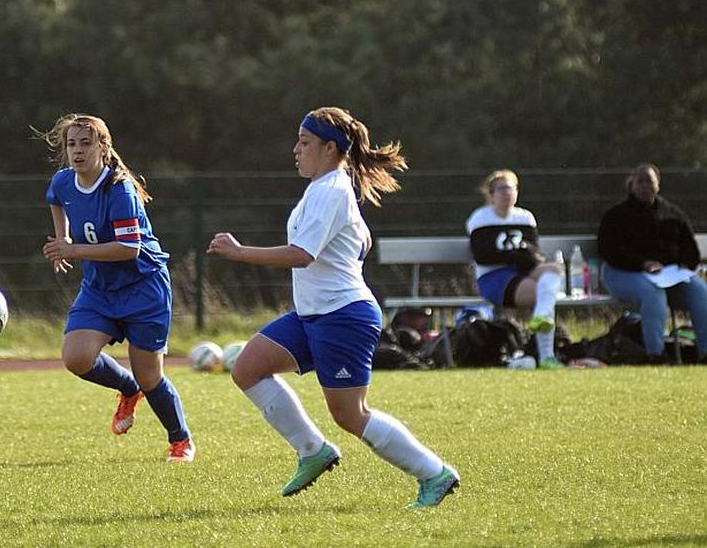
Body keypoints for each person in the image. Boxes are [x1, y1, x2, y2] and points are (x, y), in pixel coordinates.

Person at [207, 106, 459, 507]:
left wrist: (240, 253)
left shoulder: (331, 190)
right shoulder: (326, 186)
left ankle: (435, 474)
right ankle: (313, 450)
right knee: (248, 368)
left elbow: (302, 254)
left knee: (350, 414)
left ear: (329, 148)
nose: (295, 150)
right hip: (313, 315)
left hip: (343, 317)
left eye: (304, 143)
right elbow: (359, 238)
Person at [39, 113, 194, 462]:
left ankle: (180, 440)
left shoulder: (119, 189)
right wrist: (62, 236)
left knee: (151, 376)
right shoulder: (64, 181)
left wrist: (73, 249)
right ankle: (127, 388)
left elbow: (129, 248)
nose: (77, 151)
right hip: (100, 289)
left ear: (103, 147)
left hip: (144, 288)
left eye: (86, 143)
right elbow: (54, 197)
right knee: (76, 358)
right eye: (71, 144)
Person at [597, 163, 707, 363]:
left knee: (702, 293)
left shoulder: (673, 215)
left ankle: (704, 353)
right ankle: (656, 354)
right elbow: (608, 251)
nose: (645, 186)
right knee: (652, 294)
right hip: (622, 272)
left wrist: (684, 264)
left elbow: (691, 251)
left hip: (669, 276)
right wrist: (642, 264)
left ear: (658, 186)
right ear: (631, 185)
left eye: (650, 181)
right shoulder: (616, 216)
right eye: (640, 181)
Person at [465, 169, 564, 369]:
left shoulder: (525, 217)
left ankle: (542, 317)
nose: (507, 192)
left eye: (511, 188)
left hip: (523, 269)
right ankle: (546, 356)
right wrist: (517, 255)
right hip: (494, 276)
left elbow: (535, 253)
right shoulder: (480, 218)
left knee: (553, 270)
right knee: (542, 293)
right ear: (491, 195)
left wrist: (521, 257)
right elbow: (484, 256)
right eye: (501, 188)